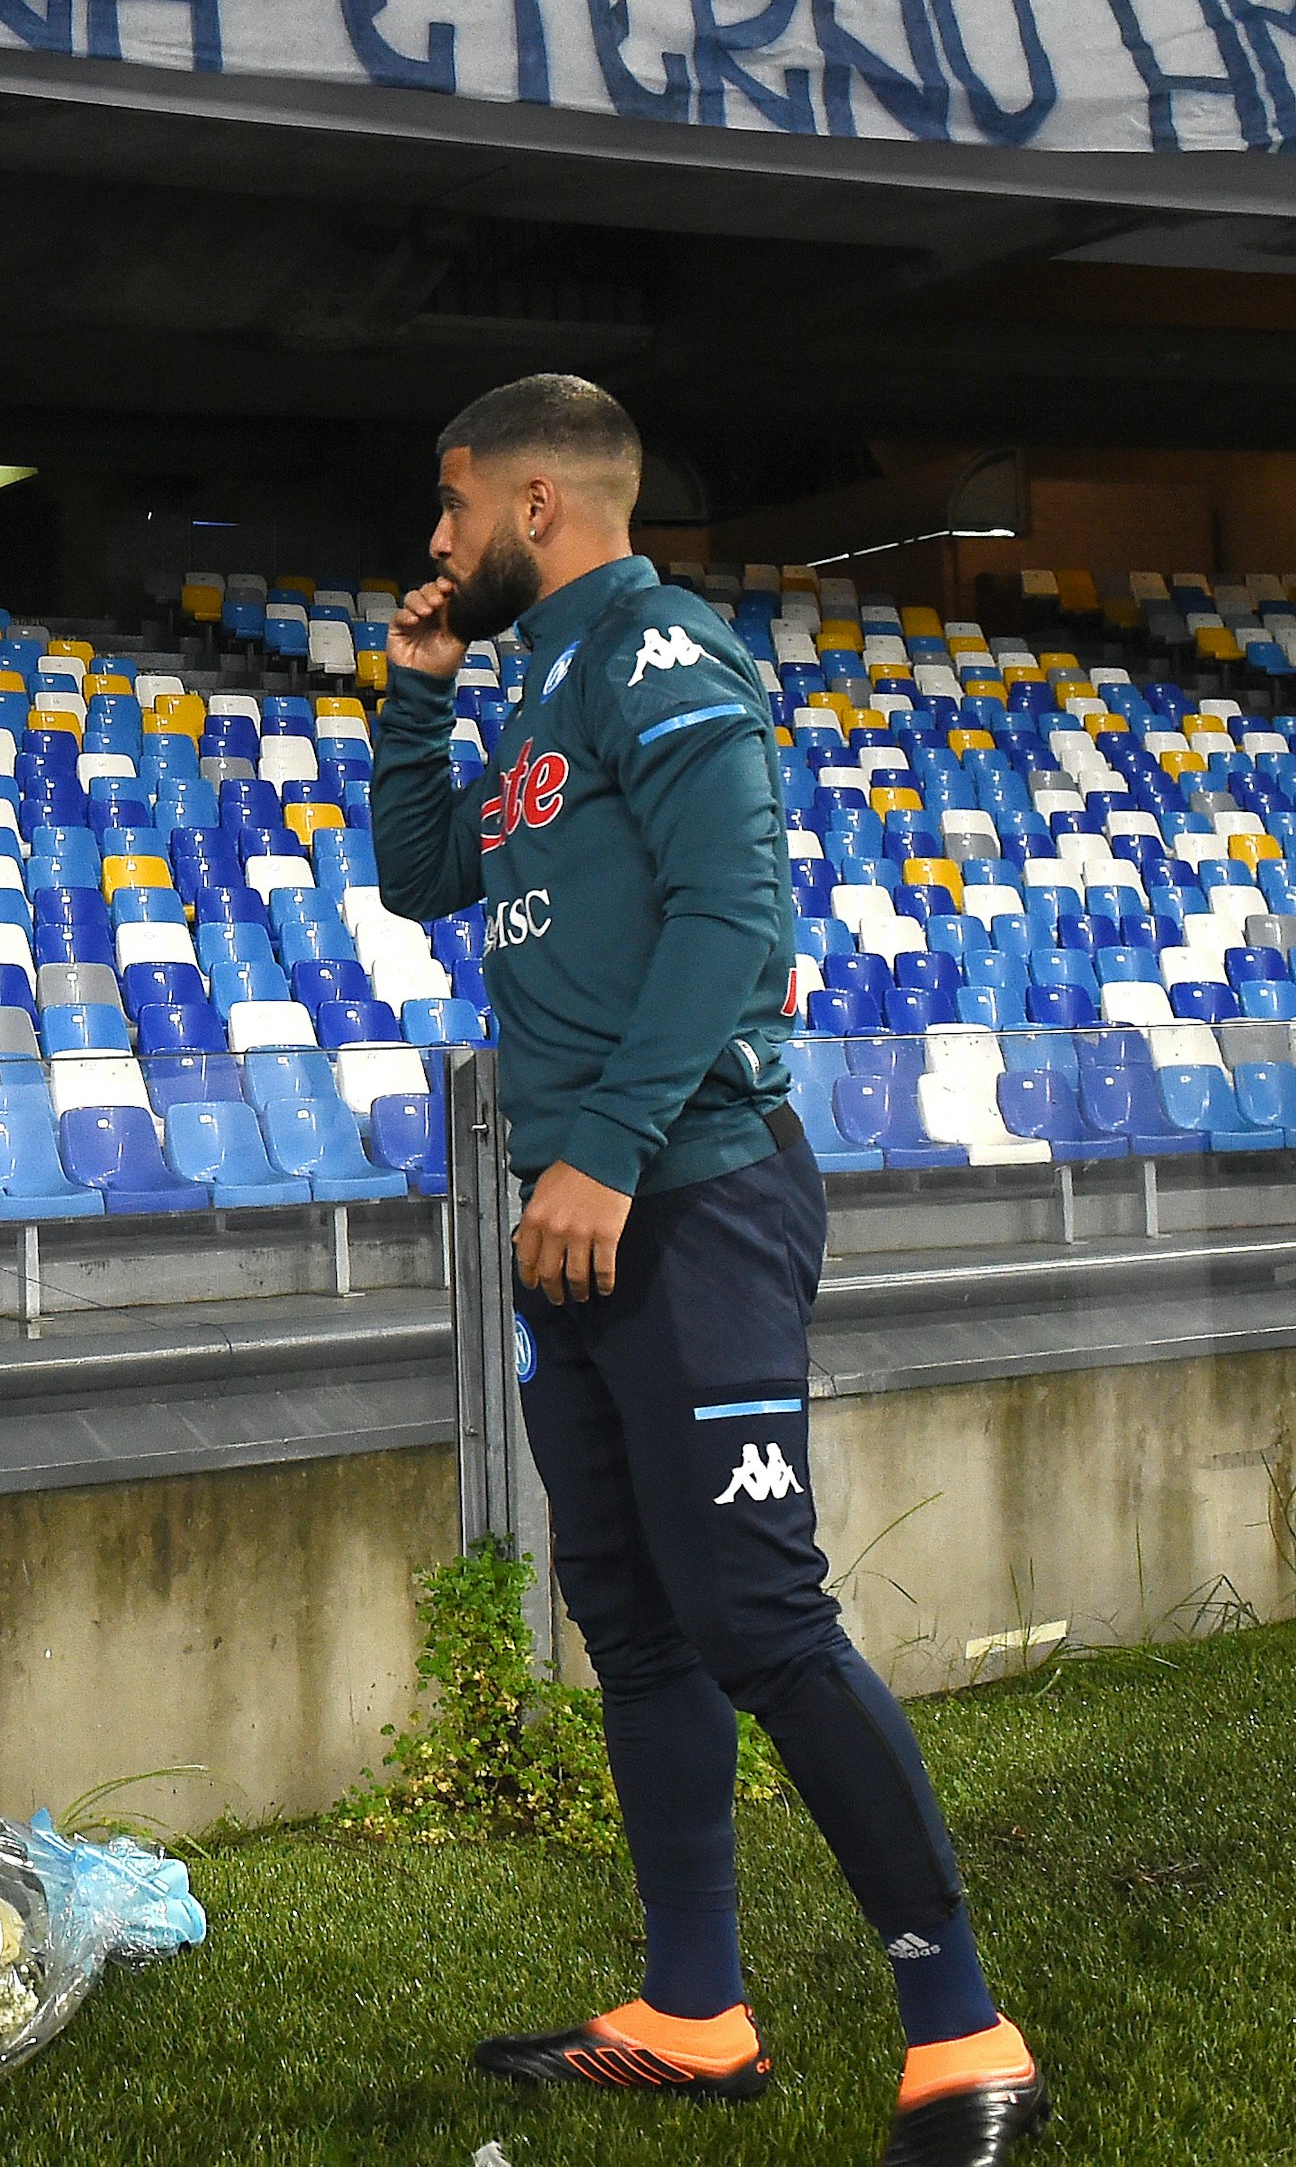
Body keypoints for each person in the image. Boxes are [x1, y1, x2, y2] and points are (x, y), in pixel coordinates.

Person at [374, 375, 1045, 2167]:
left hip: (690, 1201)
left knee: (759, 1617)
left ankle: (964, 2031)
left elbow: (736, 920)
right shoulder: (533, 689)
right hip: (577, 1221)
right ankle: (694, 2007)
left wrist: (599, 1154)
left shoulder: (663, 657)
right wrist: (417, 692)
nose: (429, 544)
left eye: (447, 511)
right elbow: (420, 874)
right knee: (638, 1620)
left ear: (534, 503)